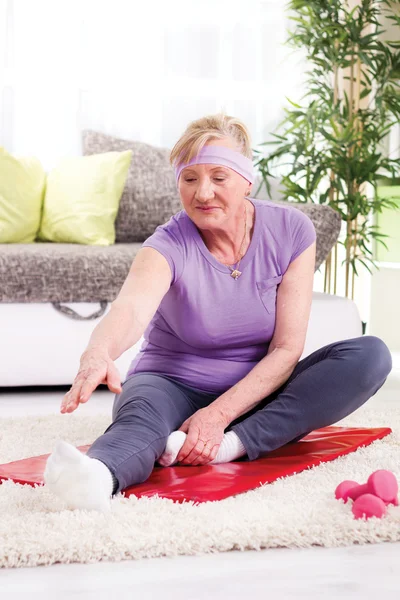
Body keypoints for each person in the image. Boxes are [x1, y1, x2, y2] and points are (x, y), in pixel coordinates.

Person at [44, 113, 392, 513]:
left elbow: (286, 349)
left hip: (257, 391)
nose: (202, 192)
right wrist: (98, 354)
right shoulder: (168, 243)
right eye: (189, 179)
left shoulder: (292, 230)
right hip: (169, 383)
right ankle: (96, 477)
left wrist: (218, 416)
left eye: (218, 177)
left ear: (247, 180)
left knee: (370, 356)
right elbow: (129, 310)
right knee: (140, 420)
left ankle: (230, 445)